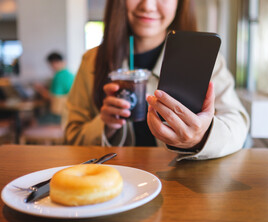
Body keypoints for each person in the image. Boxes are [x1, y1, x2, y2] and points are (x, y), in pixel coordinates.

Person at [65, 0, 249, 160]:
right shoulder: (92, 61)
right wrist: (105, 125)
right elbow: (70, 136)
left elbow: (237, 125)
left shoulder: (204, 60)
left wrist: (200, 137)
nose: (148, 5)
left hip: (180, 187)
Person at [35, 52, 74, 125]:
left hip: (61, 116)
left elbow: (52, 98)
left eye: (50, 64)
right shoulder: (70, 74)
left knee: (32, 121)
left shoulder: (58, 76)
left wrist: (40, 89)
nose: (51, 67)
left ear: (54, 63)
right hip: (71, 113)